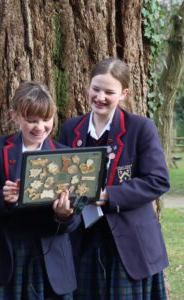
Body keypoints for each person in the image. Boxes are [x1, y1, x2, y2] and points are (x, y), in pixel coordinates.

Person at [59, 57, 170, 299]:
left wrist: (108, 195)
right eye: (95, 89)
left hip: (129, 245)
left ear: (124, 93)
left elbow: (158, 180)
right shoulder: (71, 129)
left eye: (109, 92)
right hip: (82, 242)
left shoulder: (141, 128)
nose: (100, 97)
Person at [0, 81, 80, 300]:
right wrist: (4, 199)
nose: (39, 127)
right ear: (15, 116)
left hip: (50, 257)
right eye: (31, 120)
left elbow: (76, 215)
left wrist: (64, 214)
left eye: (46, 119)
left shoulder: (66, 155)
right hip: (5, 253)